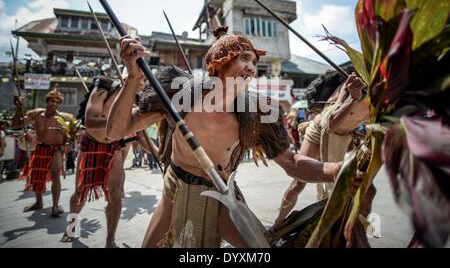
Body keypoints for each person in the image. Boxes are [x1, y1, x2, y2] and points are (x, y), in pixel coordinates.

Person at [107, 26, 345, 248]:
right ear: (220, 63)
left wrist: (338, 170)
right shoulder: (180, 92)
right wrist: (132, 77)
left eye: (254, 61)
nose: (252, 67)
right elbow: (116, 130)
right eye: (244, 58)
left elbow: (292, 163)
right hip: (176, 187)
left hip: (222, 193)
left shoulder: (257, 110)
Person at [60, 76, 160, 247]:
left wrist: (160, 155)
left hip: (113, 147)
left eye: (145, 80)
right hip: (91, 144)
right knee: (80, 193)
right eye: (141, 77)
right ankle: (71, 228)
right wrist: (121, 120)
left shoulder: (136, 104)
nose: (143, 83)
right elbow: (90, 122)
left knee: (116, 195)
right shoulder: (103, 89)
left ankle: (110, 240)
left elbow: (141, 136)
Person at [272, 70, 370, 229]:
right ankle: (278, 223)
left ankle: (345, 230)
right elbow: (330, 125)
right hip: (321, 131)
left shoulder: (384, 97)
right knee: (299, 182)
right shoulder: (349, 85)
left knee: (356, 187)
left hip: (347, 138)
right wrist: (353, 97)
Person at [14, 86, 74, 217]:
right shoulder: (36, 114)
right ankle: (39, 202)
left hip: (56, 149)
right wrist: (19, 107)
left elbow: (72, 134)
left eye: (57, 102)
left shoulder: (65, 118)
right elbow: (16, 124)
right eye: (52, 101)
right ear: (47, 101)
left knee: (55, 174)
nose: (54, 104)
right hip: (41, 147)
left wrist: (69, 142)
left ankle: (55, 206)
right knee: (37, 175)